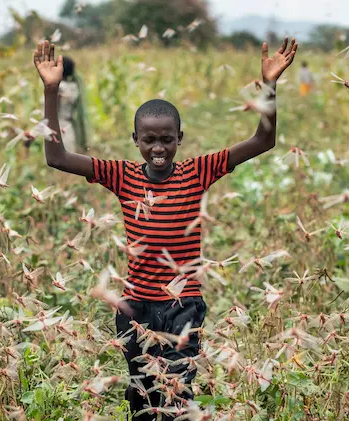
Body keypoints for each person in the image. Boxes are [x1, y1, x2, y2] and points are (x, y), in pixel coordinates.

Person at [33, 38, 297, 419]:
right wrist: (51, 90)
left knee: (175, 394)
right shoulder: (121, 175)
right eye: (150, 140)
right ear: (136, 140)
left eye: (167, 139)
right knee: (142, 397)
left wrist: (270, 85)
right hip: (134, 307)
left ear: (180, 139)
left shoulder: (198, 171)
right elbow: (55, 156)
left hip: (183, 306)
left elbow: (263, 140)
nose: (159, 148)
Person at [57, 56, 90, 153]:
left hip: (58, 126)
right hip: (68, 127)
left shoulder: (59, 88)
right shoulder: (73, 87)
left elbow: (54, 109)